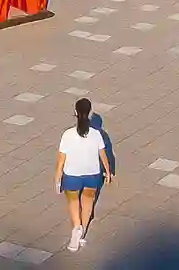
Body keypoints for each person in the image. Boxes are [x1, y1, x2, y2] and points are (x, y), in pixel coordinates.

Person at [53, 97, 112, 251]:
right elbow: (103, 154)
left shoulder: (67, 134)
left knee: (73, 203)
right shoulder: (97, 134)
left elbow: (61, 160)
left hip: (72, 175)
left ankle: (76, 230)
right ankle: (82, 233)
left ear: (75, 112)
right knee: (88, 203)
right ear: (89, 112)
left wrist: (58, 177)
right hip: (92, 174)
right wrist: (107, 171)